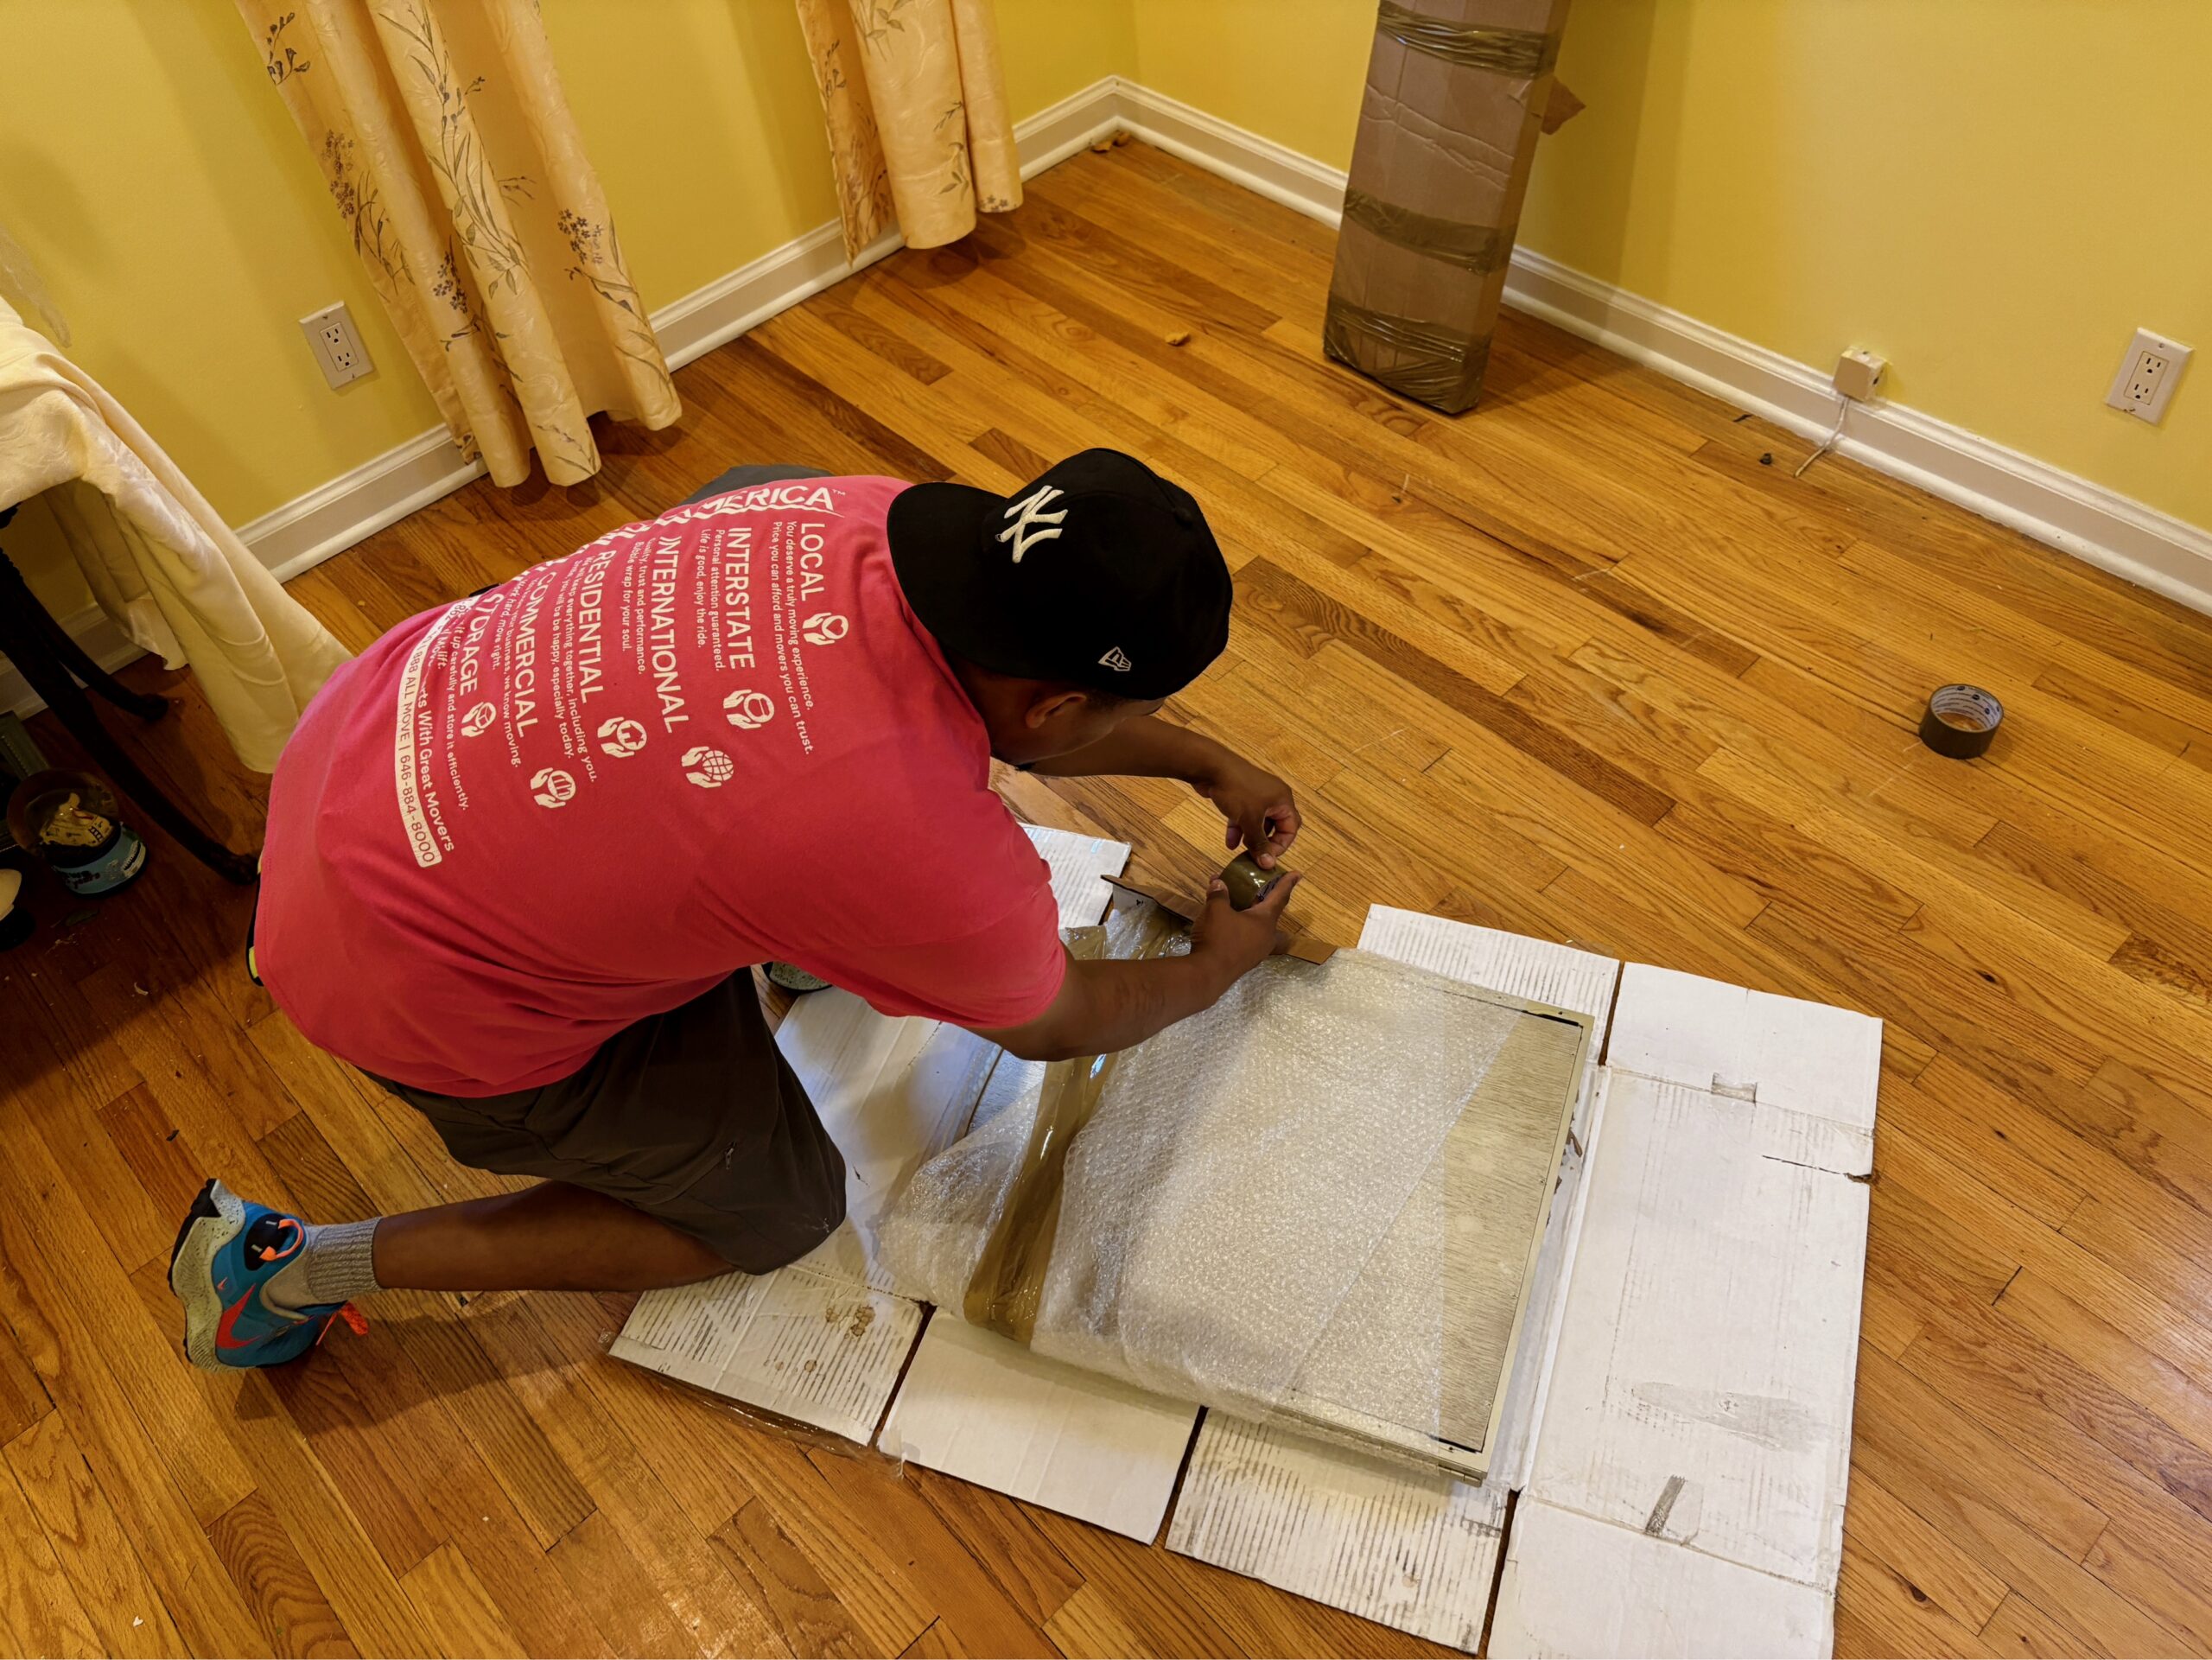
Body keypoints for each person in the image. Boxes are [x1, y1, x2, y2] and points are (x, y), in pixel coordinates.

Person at [170, 450, 1303, 1371]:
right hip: (399, 980)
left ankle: (767, 930)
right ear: (1060, 701)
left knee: (791, 849)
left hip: (360, 759)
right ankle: (286, 1268)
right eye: (1129, 714)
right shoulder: (901, 829)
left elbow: (1003, 715)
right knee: (775, 1215)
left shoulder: (849, 514)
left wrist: (1202, 761)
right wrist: (1213, 966)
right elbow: (1052, 1017)